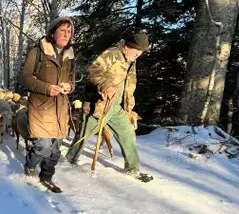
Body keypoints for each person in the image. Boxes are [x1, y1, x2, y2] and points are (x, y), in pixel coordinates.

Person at [65, 32, 153, 182]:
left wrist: (129, 105)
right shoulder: (112, 54)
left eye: (140, 53)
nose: (138, 56)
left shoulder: (131, 60)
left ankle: (133, 169)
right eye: (136, 52)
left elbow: (128, 84)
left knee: (128, 133)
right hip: (99, 104)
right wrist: (105, 86)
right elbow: (93, 70)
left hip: (117, 106)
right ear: (127, 47)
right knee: (83, 137)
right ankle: (68, 161)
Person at [20, 16, 76, 193]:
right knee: (43, 147)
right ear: (53, 32)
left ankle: (46, 177)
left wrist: (69, 86)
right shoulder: (38, 51)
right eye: (62, 30)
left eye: (69, 31)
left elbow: (73, 81)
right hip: (41, 107)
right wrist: (46, 88)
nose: (66, 34)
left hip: (60, 109)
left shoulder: (70, 55)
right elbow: (25, 78)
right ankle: (30, 165)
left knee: (55, 149)